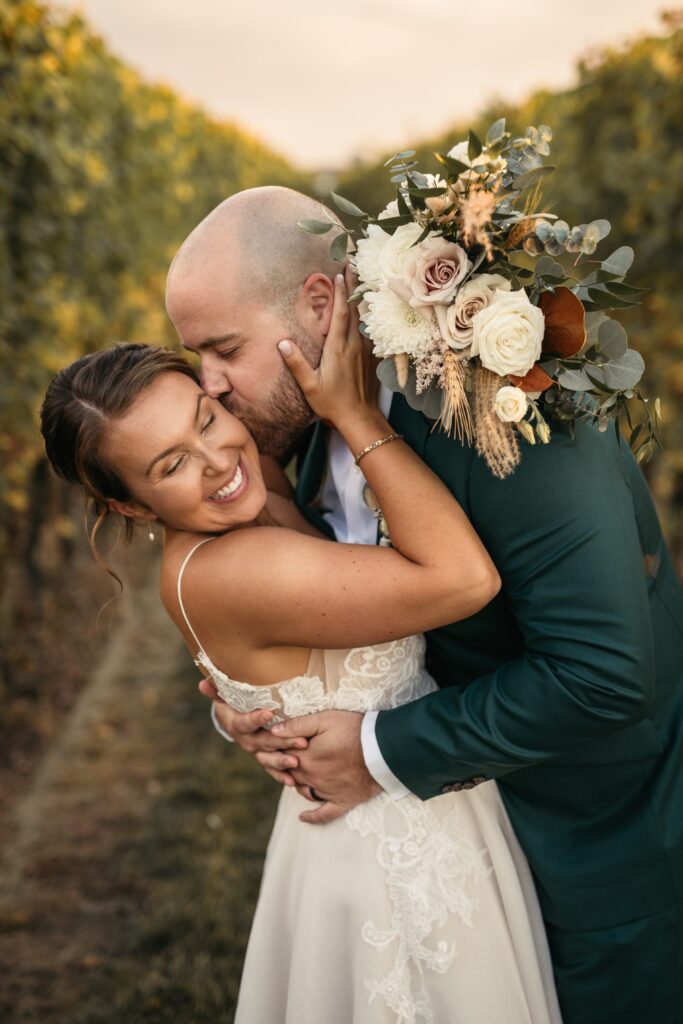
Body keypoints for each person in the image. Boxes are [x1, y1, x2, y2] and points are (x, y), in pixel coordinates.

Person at [165, 186, 683, 1024]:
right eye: (196, 358)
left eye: (223, 349)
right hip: (462, 852)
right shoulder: (309, 422)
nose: (212, 387)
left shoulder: (511, 410)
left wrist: (374, 749)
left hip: (590, 850)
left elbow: (603, 673)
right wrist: (263, 708)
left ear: (321, 305)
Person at [40, 289, 562, 1022]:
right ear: (129, 505)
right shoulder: (238, 568)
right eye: (169, 466)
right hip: (388, 852)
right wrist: (355, 414)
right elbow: (463, 579)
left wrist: (237, 713)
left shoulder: (252, 493)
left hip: (407, 812)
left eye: (207, 418)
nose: (218, 459)